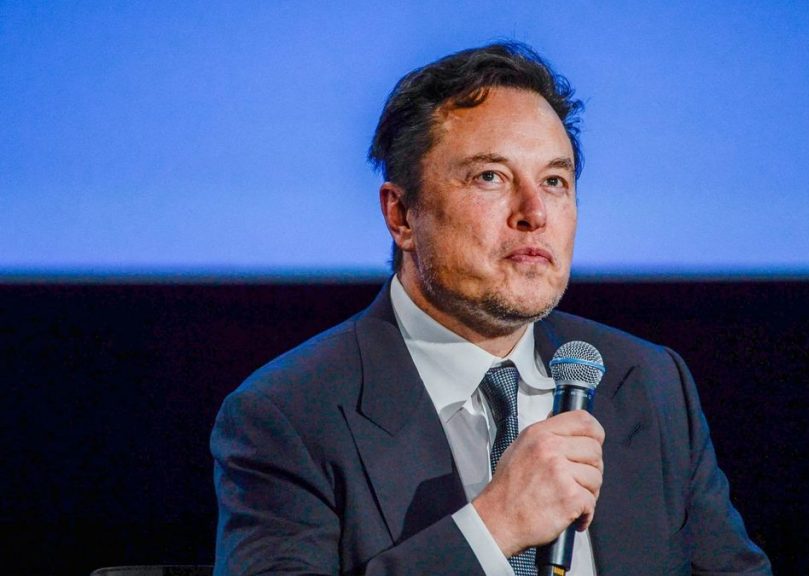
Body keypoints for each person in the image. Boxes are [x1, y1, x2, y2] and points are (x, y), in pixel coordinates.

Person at [211, 42, 772, 575]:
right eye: (490, 177)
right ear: (401, 216)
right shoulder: (289, 414)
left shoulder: (648, 383)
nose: (534, 212)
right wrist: (493, 526)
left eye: (555, 180)